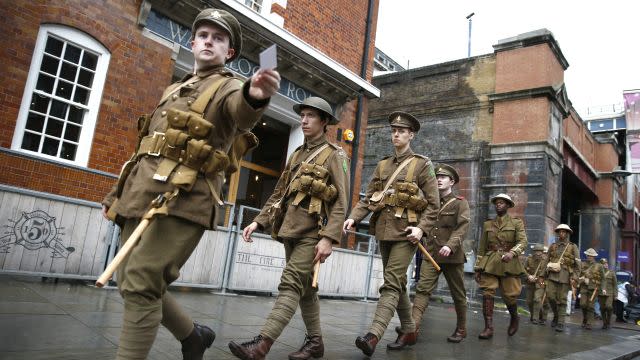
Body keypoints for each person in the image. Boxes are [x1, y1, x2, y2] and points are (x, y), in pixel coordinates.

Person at [100, 8, 281, 359]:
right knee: (131, 280)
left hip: (185, 197)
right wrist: (116, 194)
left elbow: (242, 112)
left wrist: (256, 94)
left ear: (229, 52)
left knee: (141, 282)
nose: (209, 40)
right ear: (193, 41)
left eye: (219, 37)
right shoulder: (175, 87)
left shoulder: (230, 87)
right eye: (204, 35)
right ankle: (193, 336)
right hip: (141, 192)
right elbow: (145, 148)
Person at [228, 97, 350, 360]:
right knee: (307, 289)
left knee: (290, 284)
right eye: (302, 115)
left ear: (325, 121)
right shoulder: (297, 154)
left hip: (313, 234)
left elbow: (342, 200)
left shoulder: (335, 155)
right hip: (289, 230)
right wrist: (258, 221)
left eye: (311, 116)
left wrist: (330, 238)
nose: (304, 120)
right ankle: (316, 342)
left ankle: (262, 345)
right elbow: (279, 194)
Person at [344, 111, 439, 356]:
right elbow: (369, 197)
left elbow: (433, 204)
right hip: (384, 231)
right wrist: (353, 218)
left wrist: (421, 228)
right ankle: (409, 330)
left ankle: (373, 335)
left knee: (390, 284)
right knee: (398, 284)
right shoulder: (383, 164)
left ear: (411, 135)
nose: (396, 134)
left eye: (402, 131)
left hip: (407, 234)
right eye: (393, 131)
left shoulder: (422, 164)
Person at [411, 163, 470, 343]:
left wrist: (451, 245)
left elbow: (463, 227)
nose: (438, 180)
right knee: (422, 290)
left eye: (443, 177)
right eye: (437, 177)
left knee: (458, 294)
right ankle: (411, 329)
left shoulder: (460, 203)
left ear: (451, 182)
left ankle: (461, 328)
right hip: (431, 254)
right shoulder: (429, 203)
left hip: (452, 256)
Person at [474, 193, 528, 339]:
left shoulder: (516, 223)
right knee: (487, 293)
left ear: (508, 206)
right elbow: (482, 247)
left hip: (508, 262)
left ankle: (514, 317)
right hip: (490, 262)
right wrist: (478, 268)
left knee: (510, 296)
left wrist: (512, 252)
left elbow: (523, 242)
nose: (499, 205)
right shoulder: (487, 224)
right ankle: (488, 328)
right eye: (497, 203)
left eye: (502, 203)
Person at [545, 224, 580, 332]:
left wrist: (575, 277)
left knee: (562, 300)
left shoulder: (573, 247)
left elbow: (578, 265)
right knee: (550, 297)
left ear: (567, 233)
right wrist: (542, 275)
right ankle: (556, 315)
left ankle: (560, 322)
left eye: (564, 232)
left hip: (565, 276)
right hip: (552, 276)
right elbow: (546, 261)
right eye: (560, 232)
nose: (562, 233)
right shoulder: (553, 246)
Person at [579, 248, 604, 330]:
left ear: (594, 256)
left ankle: (589, 323)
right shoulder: (582, 264)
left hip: (593, 288)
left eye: (591, 255)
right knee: (583, 304)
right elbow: (578, 274)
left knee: (590, 306)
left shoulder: (599, 266)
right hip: (583, 287)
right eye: (588, 255)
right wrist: (580, 279)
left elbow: (603, 278)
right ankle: (585, 318)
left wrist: (602, 288)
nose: (589, 256)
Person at [524, 243, 547, 325]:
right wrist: (528, 276)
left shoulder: (545, 261)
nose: (538, 253)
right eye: (536, 251)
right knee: (529, 301)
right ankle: (536, 315)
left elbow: (547, 273)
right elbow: (523, 270)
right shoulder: (529, 259)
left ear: (542, 252)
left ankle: (535, 318)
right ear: (534, 251)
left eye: (540, 251)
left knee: (537, 299)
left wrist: (537, 278)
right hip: (530, 282)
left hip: (540, 283)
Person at [598, 258, 617, 329]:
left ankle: (608, 321)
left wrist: (615, 295)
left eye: (606, 263)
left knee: (608, 306)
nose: (605, 264)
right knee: (602, 309)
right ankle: (604, 323)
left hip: (610, 293)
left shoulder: (611, 273)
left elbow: (615, 285)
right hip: (600, 293)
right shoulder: (598, 273)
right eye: (603, 263)